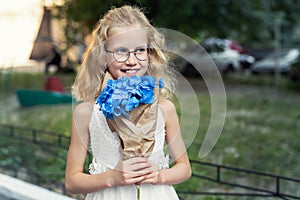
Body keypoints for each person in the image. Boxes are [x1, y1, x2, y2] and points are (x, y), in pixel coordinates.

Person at [65, 5, 191, 200]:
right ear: (103, 55)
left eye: (140, 50)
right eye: (121, 51)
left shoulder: (165, 108)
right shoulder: (86, 113)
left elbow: (184, 168)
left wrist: (159, 175)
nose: (132, 61)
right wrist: (113, 178)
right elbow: (72, 183)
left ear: (150, 53)